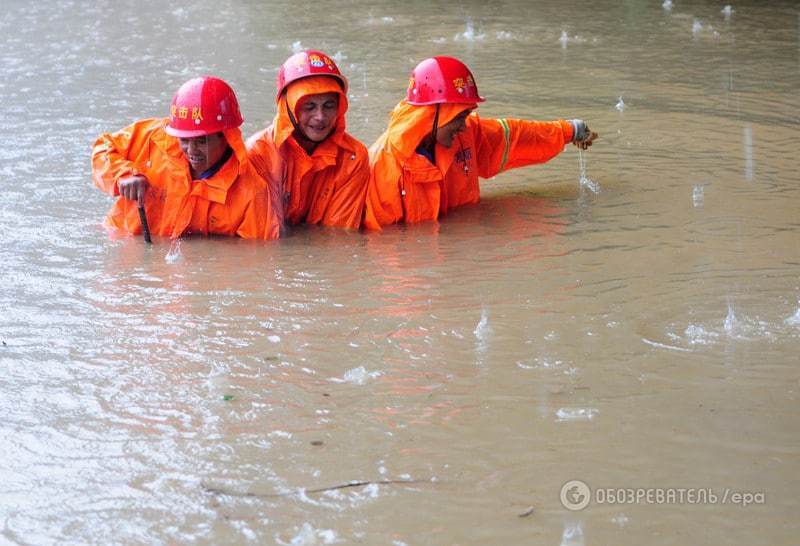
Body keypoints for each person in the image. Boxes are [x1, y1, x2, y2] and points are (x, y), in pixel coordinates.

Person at [364, 56, 598, 229]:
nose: (464, 126)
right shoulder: (383, 168)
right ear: (431, 114)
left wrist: (570, 130)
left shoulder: (465, 136)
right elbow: (383, 244)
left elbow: (516, 136)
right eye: (459, 117)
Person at [92, 76, 281, 240]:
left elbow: (256, 257)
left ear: (226, 137)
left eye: (201, 141)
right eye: (184, 140)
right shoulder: (153, 138)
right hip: (120, 239)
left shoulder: (252, 193)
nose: (191, 151)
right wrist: (122, 175)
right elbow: (102, 148)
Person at [246, 50, 369, 230]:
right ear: (287, 107)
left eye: (329, 106)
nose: (320, 116)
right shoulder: (258, 154)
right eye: (309, 106)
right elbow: (263, 238)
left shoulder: (354, 157)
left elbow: (339, 236)